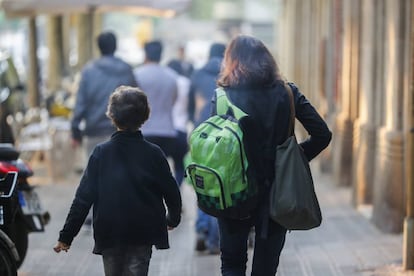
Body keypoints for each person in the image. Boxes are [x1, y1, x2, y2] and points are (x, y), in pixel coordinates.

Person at [213, 35, 332, 275]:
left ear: (231, 61)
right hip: (277, 192)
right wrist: (293, 161)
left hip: (233, 189)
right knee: (266, 267)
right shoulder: (287, 93)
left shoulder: (223, 96)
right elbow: (322, 134)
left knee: (232, 263)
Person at [54, 86, 182, 276]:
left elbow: (83, 198)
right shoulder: (154, 153)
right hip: (143, 232)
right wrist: (173, 218)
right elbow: (171, 190)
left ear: (111, 115)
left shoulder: (101, 153)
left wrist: (66, 236)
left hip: (110, 232)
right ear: (145, 116)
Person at [71, 31, 137, 158]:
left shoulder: (88, 71)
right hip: (122, 131)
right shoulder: (127, 69)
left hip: (94, 132)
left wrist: (75, 130)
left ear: (99, 47)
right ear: (115, 46)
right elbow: (136, 101)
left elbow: (80, 103)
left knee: (95, 173)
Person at [189, 42, 226, 254]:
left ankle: (203, 228)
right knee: (221, 184)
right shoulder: (232, 75)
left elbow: (190, 107)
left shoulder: (197, 74)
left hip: (201, 133)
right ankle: (215, 237)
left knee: (202, 182)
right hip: (226, 135)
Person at [133, 41, 178, 181]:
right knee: (160, 173)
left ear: (145, 54)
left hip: (143, 131)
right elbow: (173, 100)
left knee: (142, 173)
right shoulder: (172, 76)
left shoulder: (137, 75)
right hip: (167, 131)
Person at [167, 60, 191, 186]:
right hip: (181, 128)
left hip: (164, 129)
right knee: (180, 167)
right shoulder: (187, 83)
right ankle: (175, 192)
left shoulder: (164, 80)